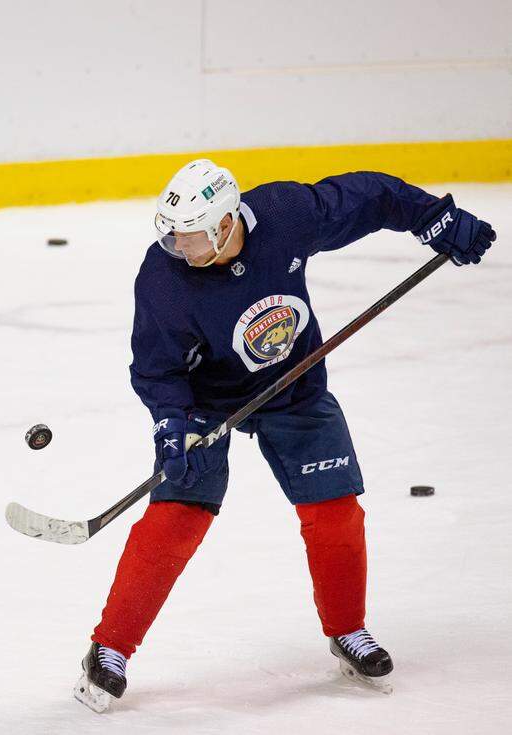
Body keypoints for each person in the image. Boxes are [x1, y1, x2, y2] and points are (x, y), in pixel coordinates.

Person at [79, 160, 496, 707]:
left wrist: (434, 219)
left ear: (227, 225)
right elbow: (158, 369)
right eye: (172, 235)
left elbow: (368, 196)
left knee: (335, 511)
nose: (178, 248)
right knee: (177, 516)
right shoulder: (163, 277)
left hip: (294, 387)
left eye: (190, 237)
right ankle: (108, 649)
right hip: (207, 402)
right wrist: (171, 430)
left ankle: (347, 628)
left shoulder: (284, 215)